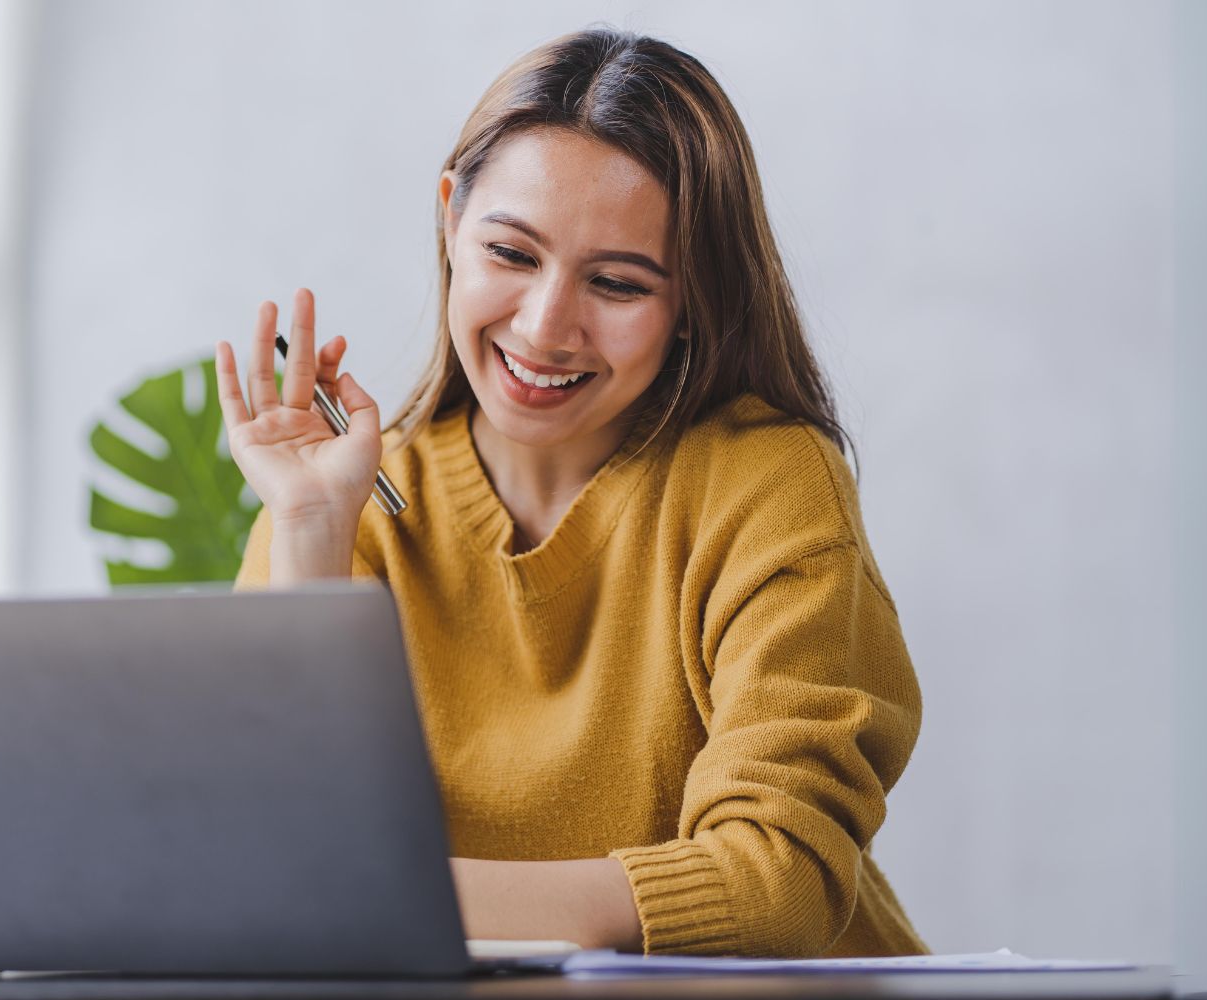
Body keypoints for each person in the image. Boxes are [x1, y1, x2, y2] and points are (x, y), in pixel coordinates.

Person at [217, 27, 924, 959]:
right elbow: (265, 860)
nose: (547, 327)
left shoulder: (766, 485)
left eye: (619, 283)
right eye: (512, 254)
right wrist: (309, 534)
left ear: (692, 303)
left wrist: (393, 893)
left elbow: (774, 882)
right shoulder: (341, 497)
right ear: (450, 225)